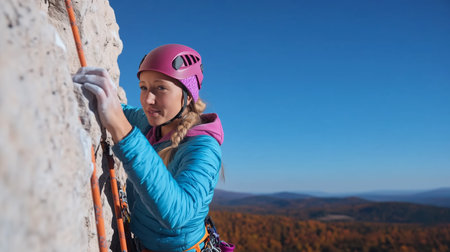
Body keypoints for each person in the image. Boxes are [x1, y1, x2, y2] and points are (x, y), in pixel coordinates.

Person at [72, 44, 224, 252]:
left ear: (188, 96)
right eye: (143, 87)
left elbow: (178, 214)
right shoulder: (150, 124)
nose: (148, 99)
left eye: (160, 88)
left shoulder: (203, 148)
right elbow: (117, 110)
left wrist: (122, 130)